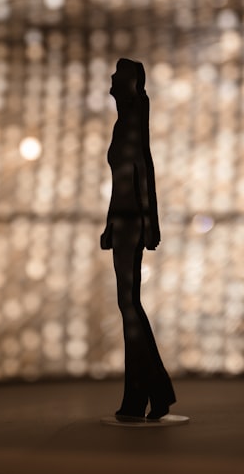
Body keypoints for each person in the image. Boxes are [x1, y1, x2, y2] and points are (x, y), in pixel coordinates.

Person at [100, 58, 176, 421]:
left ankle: (152, 392)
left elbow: (143, 172)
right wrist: (109, 224)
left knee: (129, 307)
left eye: (118, 75)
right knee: (128, 307)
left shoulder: (131, 123)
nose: (112, 79)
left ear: (129, 84)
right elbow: (122, 182)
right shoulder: (123, 124)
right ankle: (145, 394)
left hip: (132, 224)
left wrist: (149, 223)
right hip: (124, 223)